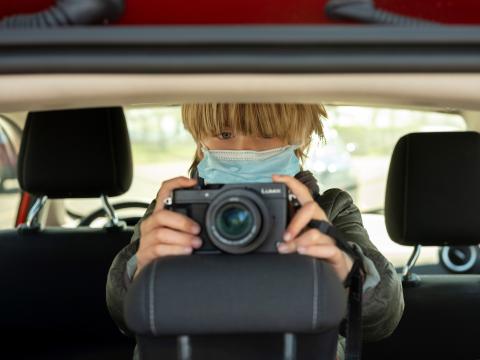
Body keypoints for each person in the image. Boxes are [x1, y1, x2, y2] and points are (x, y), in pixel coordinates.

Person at [106, 103, 404, 360]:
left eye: (265, 134)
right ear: (199, 140)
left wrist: (346, 272)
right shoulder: (171, 211)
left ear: (300, 139)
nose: (244, 148)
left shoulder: (329, 209)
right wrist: (140, 269)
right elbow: (122, 314)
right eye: (224, 134)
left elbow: (384, 316)